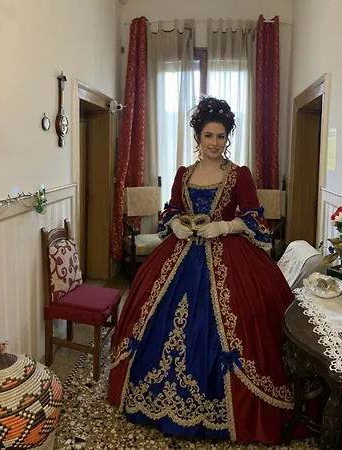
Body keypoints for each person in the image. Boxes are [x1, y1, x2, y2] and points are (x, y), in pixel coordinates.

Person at [108, 97, 298, 444]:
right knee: (155, 314)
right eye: (209, 135)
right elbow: (171, 209)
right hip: (181, 252)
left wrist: (224, 226)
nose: (215, 143)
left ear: (228, 138)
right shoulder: (184, 173)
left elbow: (254, 217)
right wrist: (175, 224)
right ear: (197, 137)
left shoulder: (239, 174)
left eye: (221, 136)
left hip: (228, 255)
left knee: (239, 318)